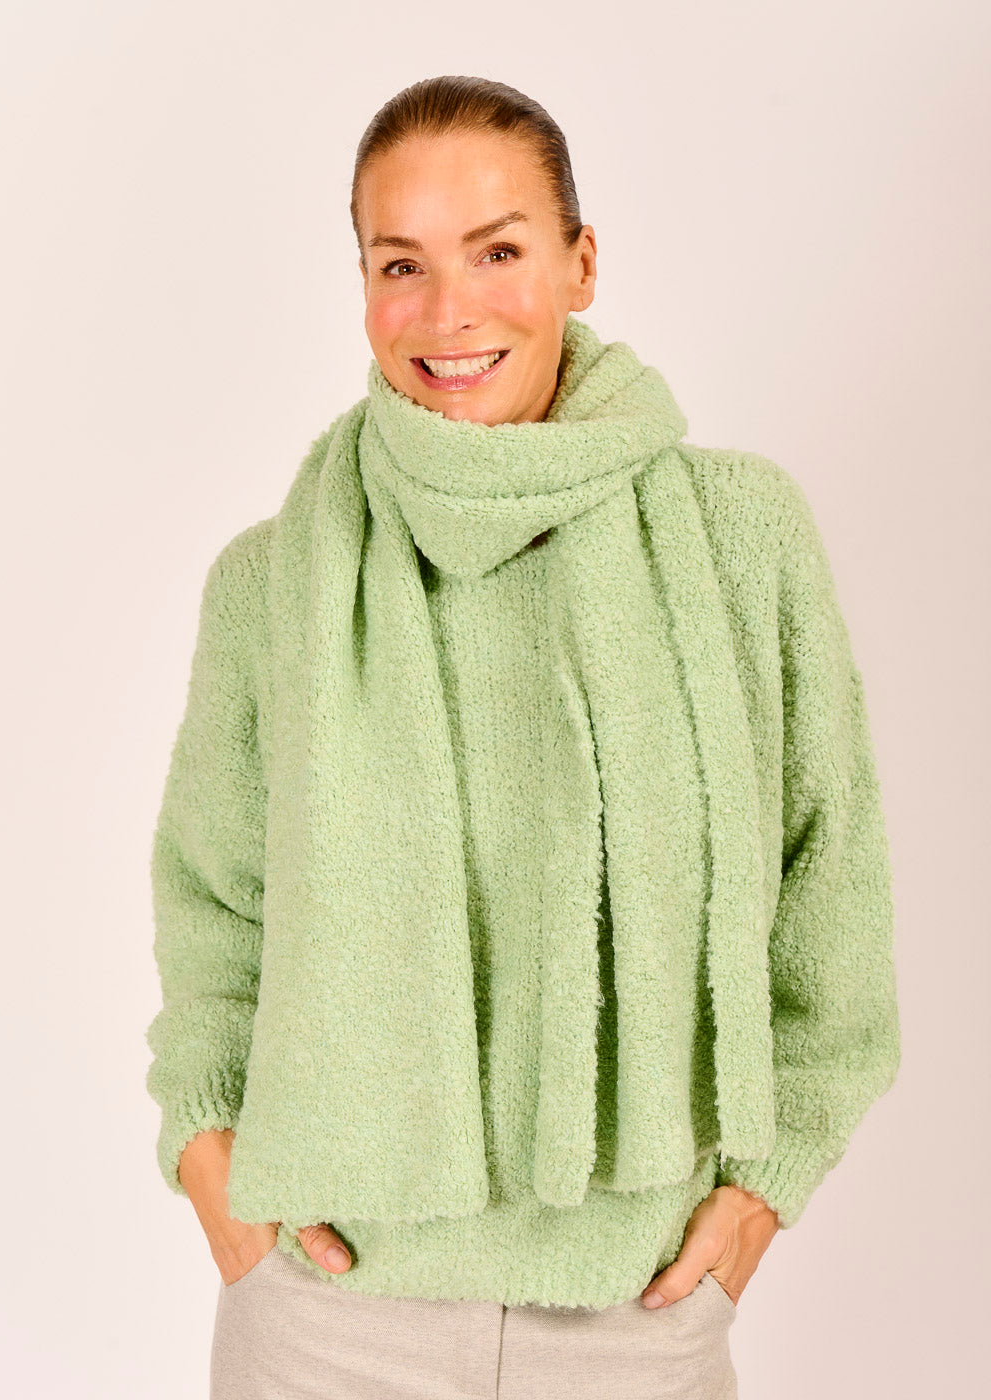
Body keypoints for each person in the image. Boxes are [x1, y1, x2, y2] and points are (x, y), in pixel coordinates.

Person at [145, 75, 901, 1399]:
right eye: (402, 264)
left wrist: (761, 1193)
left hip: (635, 1314)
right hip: (325, 1319)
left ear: (579, 263)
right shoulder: (274, 582)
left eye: (497, 251)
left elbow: (827, 887)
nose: (450, 311)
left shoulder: (740, 539)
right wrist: (212, 1162)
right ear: (363, 286)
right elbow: (215, 907)